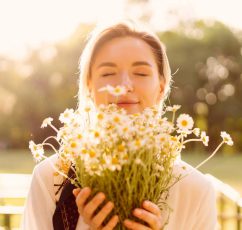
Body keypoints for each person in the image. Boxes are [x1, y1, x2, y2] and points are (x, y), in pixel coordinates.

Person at [21, 20, 218, 230]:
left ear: (161, 87)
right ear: (89, 87)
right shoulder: (52, 178)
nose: (124, 86)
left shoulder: (195, 191)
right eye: (107, 73)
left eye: (141, 73)